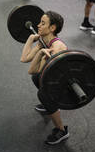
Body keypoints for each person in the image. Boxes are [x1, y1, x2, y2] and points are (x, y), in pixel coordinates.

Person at [20, 11, 69, 145]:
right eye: (40, 22)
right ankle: (50, 104)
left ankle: (61, 130)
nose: (38, 25)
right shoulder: (43, 42)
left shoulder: (56, 47)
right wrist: (30, 39)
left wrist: (41, 52)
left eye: (43, 23)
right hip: (53, 78)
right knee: (37, 78)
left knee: (43, 94)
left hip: (66, 86)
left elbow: (32, 70)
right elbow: (24, 59)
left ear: (52, 28)